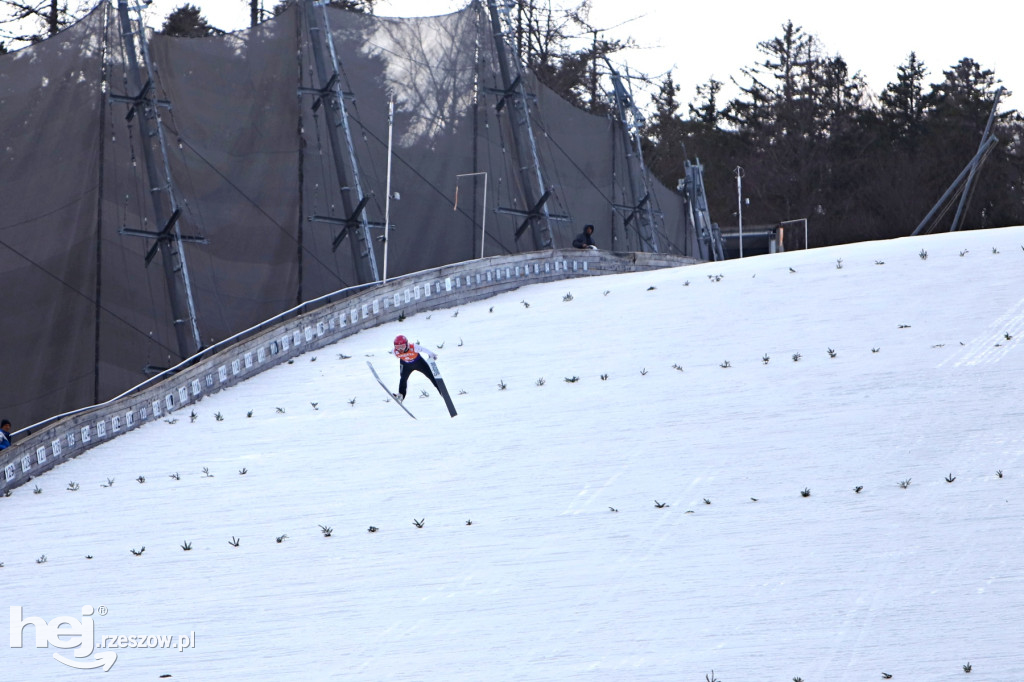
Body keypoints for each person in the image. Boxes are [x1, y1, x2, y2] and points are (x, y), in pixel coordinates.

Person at [390, 334, 439, 402]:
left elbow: (424, 349)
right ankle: (401, 395)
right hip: (406, 364)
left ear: (407, 344)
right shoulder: (394, 351)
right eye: (398, 347)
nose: (400, 349)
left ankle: (441, 389)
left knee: (430, 375)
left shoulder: (413, 347)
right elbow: (400, 357)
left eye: (402, 346)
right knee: (403, 379)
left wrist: (431, 354)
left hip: (418, 362)